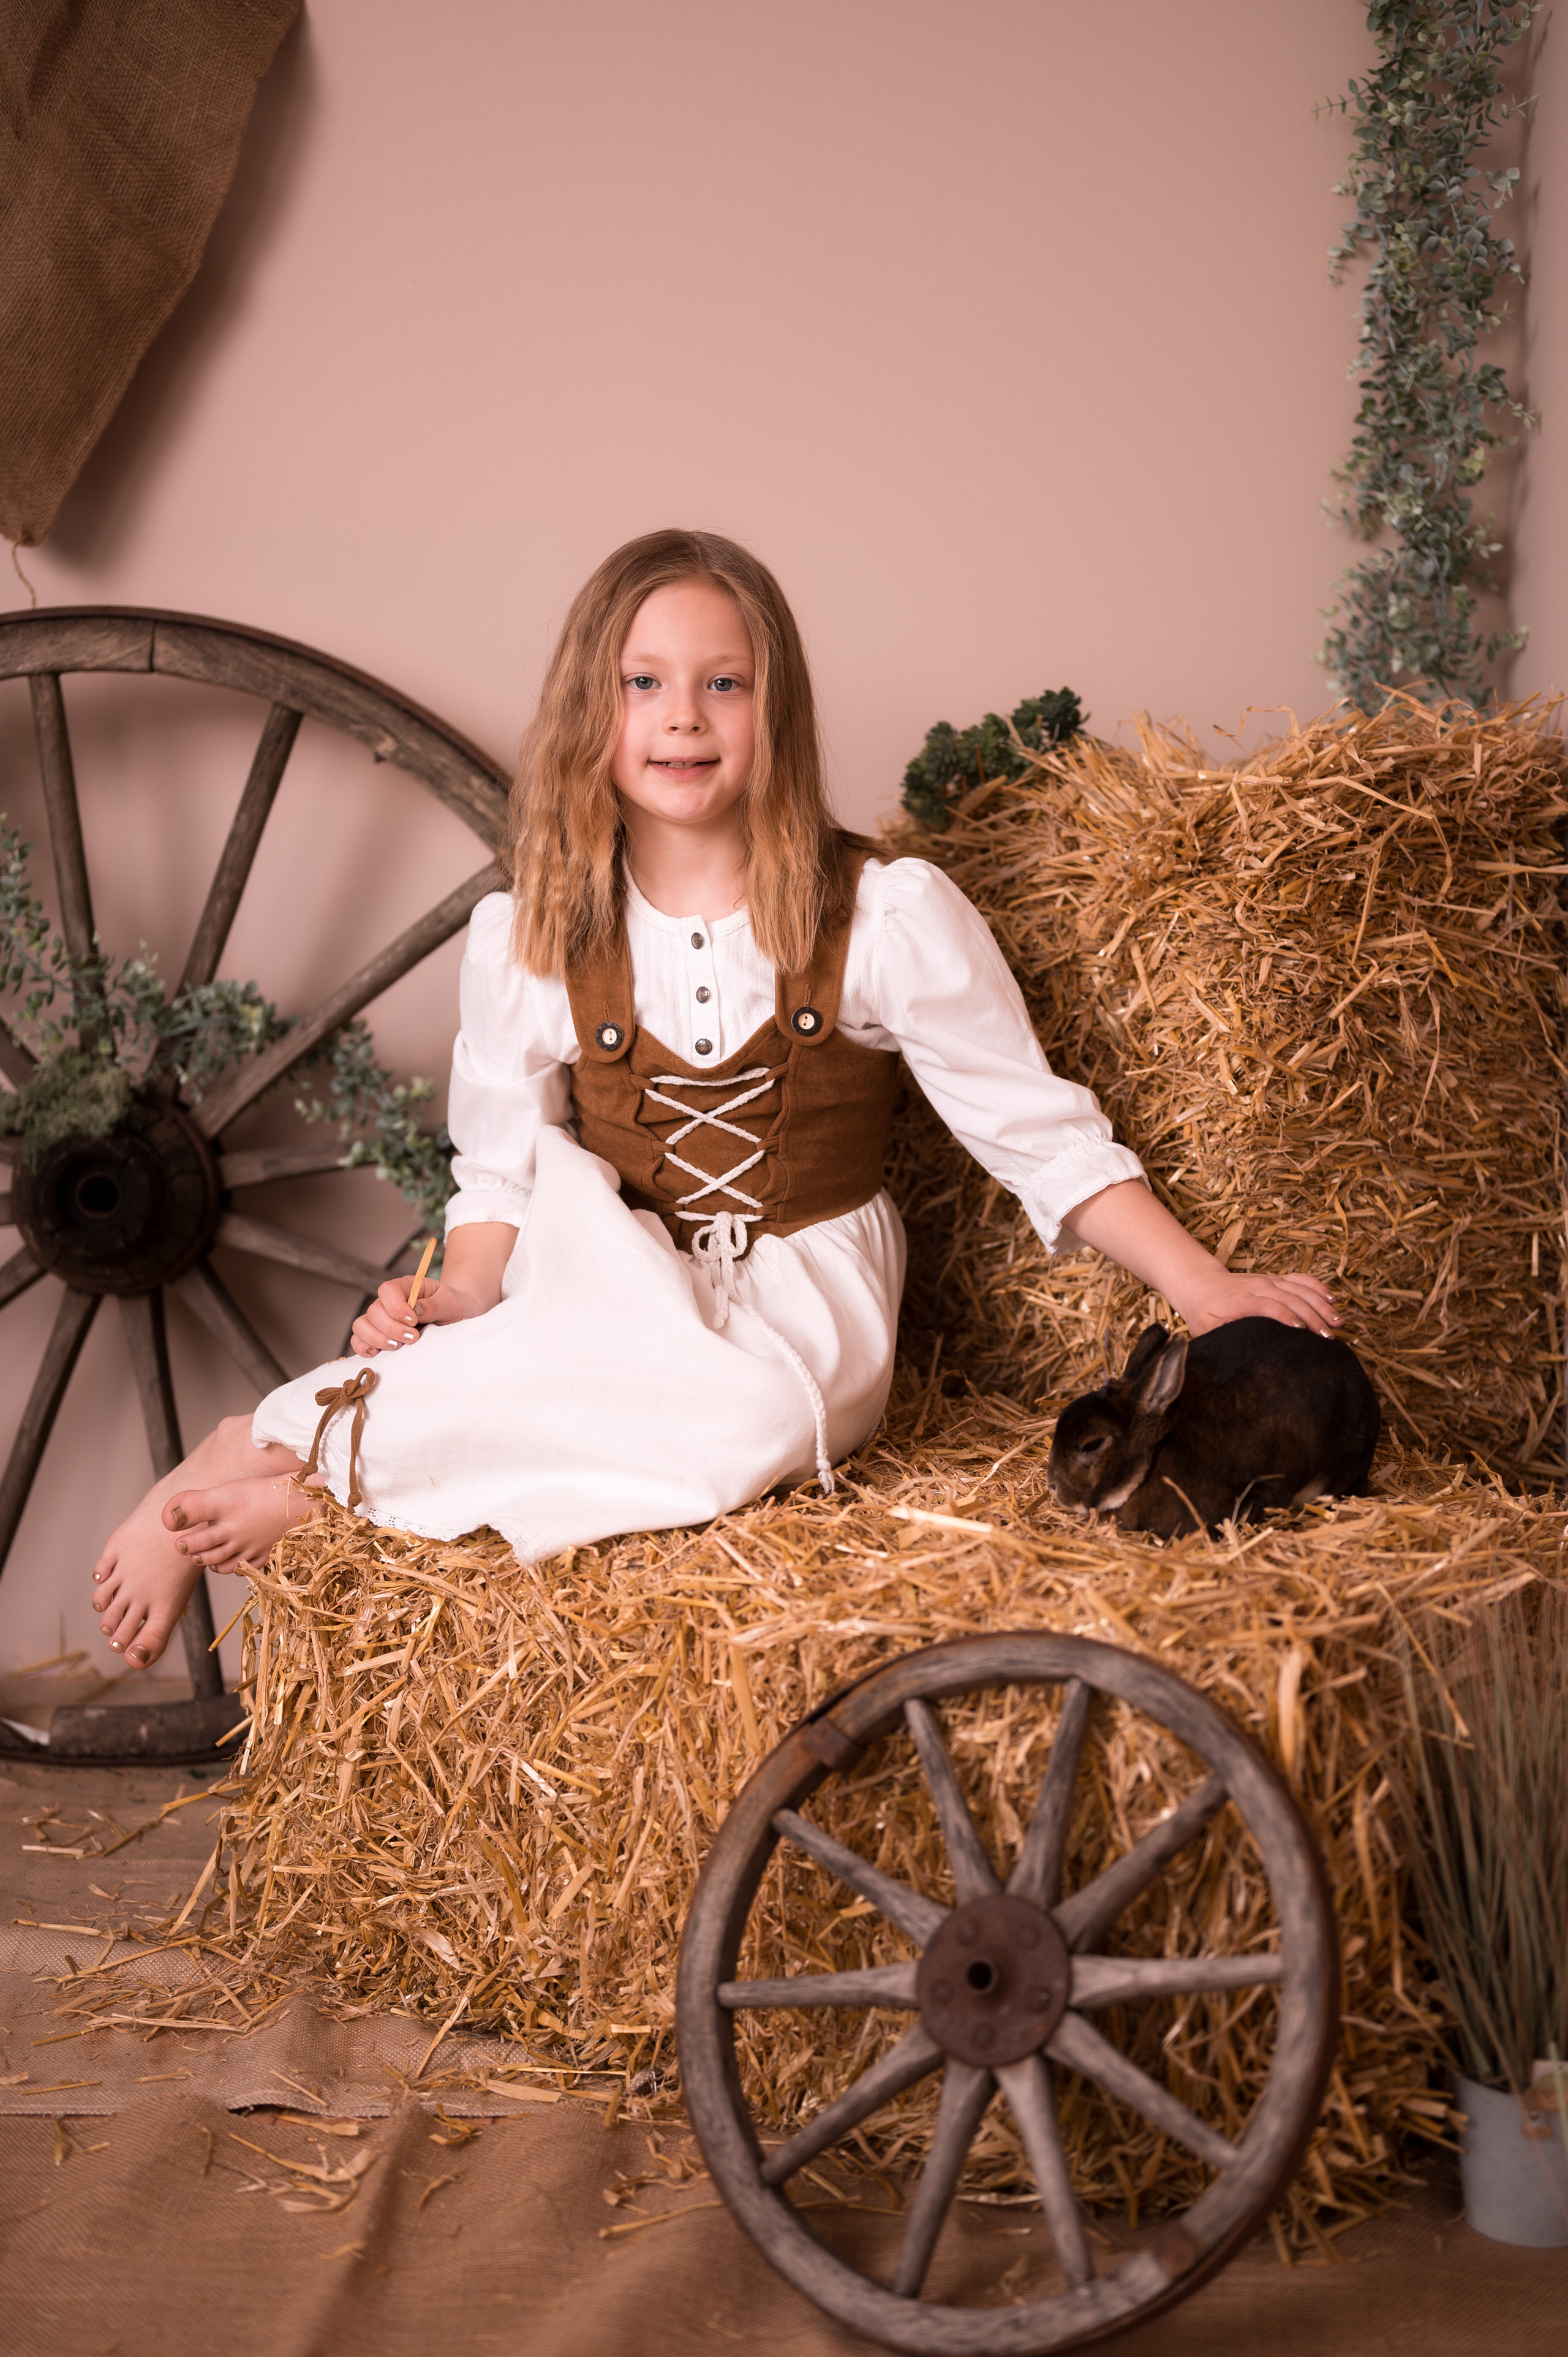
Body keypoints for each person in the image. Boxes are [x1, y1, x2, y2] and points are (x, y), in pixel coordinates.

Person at [89, 529, 1338, 1670]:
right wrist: (459, 1293)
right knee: (527, 1348)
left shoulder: (878, 915)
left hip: (801, 1300)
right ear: (593, 707)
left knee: (733, 1415)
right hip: (620, 1275)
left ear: (772, 708)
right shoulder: (531, 934)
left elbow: (1032, 1128)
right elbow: (505, 1174)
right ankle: (252, 1446)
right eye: (643, 683)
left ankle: (307, 1479)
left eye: (721, 684)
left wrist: (1196, 1286)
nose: (681, 718)